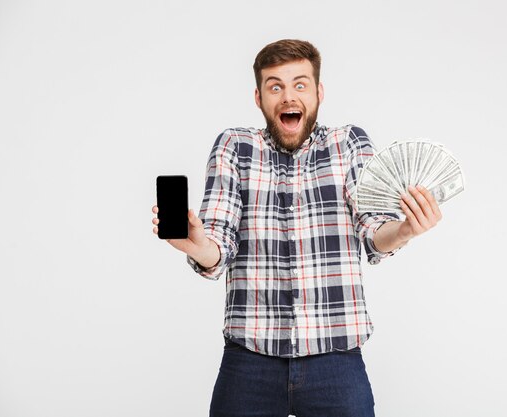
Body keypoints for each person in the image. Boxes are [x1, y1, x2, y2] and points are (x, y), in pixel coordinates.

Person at [151, 39, 442, 417]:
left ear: (319, 92)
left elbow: (374, 231)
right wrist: (195, 244)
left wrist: (405, 230)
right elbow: (218, 247)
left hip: (336, 359)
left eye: (299, 84)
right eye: (276, 86)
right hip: (249, 362)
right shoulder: (234, 146)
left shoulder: (350, 143)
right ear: (258, 97)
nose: (288, 96)